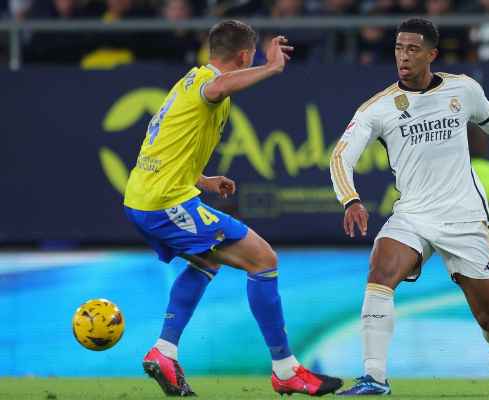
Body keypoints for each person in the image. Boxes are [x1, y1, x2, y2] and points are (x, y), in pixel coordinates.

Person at [123, 20, 342, 397]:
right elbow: (219, 86)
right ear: (245, 56)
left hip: (148, 197)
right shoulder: (208, 85)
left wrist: (203, 180)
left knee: (207, 261)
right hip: (163, 203)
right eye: (252, 59)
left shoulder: (188, 81)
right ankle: (286, 370)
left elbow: (168, 145)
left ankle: (164, 351)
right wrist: (272, 68)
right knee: (263, 259)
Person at [330, 18, 489, 396]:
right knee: (380, 270)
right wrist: (351, 199)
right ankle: (374, 377)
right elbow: (341, 157)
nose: (403, 57)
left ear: (431, 54)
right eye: (398, 48)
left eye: (412, 49)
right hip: (413, 214)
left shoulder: (463, 89)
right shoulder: (378, 109)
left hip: (464, 217)